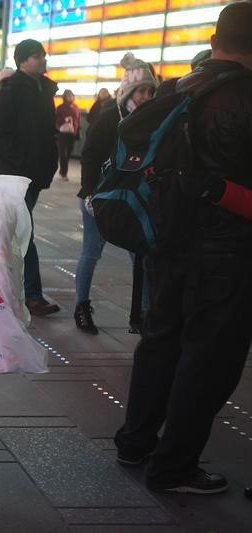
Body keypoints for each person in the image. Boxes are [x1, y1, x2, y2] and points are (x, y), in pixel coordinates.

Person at [114, 1, 252, 495]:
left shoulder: (177, 88)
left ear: (215, 41)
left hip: (167, 239)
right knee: (209, 357)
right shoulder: (245, 97)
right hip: (226, 250)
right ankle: (173, 466)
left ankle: (135, 442)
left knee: (160, 340)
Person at [74, 53, 158, 335]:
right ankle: (82, 306)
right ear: (129, 91)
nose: (146, 95)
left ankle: (143, 313)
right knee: (91, 252)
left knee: (140, 255)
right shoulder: (112, 116)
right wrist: (88, 192)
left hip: (135, 198)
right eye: (141, 90)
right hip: (100, 197)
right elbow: (90, 154)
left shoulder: (153, 119)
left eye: (149, 90)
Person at [0, 39, 59, 317]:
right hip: (14, 175)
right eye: (37, 56)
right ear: (23, 61)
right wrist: (22, 161)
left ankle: (5, 288)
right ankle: (31, 295)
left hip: (35, 175)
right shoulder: (10, 91)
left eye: (43, 55)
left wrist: (47, 165)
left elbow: (47, 133)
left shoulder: (44, 91)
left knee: (16, 233)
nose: (43, 60)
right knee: (24, 233)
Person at [55, 89, 80, 181]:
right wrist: (64, 119)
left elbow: (78, 120)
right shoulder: (60, 107)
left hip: (72, 133)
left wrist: (77, 130)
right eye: (68, 96)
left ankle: (62, 171)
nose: (70, 97)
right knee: (63, 154)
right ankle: (64, 173)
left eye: (71, 95)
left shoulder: (76, 107)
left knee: (68, 153)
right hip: (62, 133)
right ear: (64, 97)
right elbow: (56, 119)